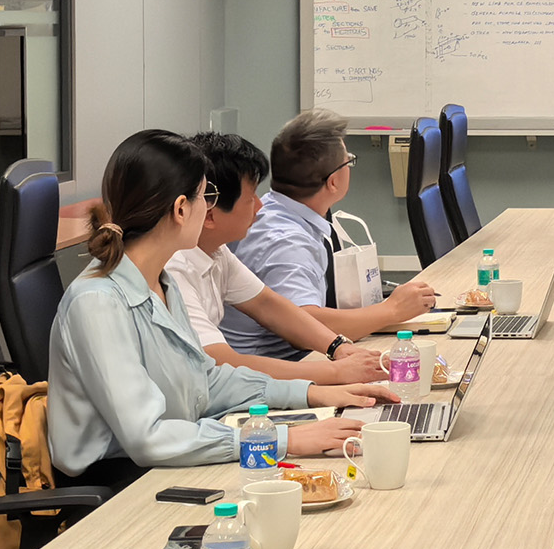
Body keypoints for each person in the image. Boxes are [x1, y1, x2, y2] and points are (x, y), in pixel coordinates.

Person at [47, 129, 395, 478]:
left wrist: (312, 394)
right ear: (181, 209)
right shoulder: (97, 303)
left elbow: (207, 382)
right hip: (121, 480)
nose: (208, 207)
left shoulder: (161, 282)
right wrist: (283, 439)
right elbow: (147, 437)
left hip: (174, 453)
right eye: (205, 196)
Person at [166, 131, 392, 384]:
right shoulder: (173, 270)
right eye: (250, 199)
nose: (259, 206)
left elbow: (267, 304)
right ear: (209, 214)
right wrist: (337, 372)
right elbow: (221, 362)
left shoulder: (216, 252)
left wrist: (338, 347)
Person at [223, 108, 436, 362]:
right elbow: (305, 324)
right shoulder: (287, 242)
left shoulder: (277, 210)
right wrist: (392, 310)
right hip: (278, 367)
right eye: (348, 161)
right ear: (333, 181)